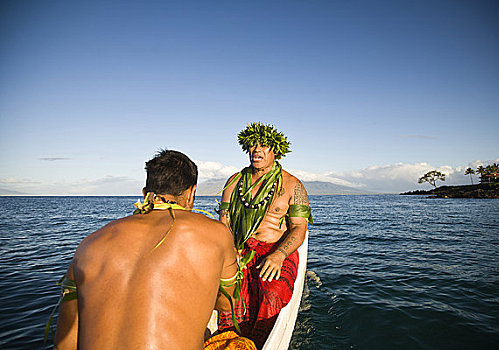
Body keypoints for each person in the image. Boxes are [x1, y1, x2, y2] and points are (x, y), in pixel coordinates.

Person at [53, 150, 252, 350]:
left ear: (144, 193)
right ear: (192, 193)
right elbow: (227, 305)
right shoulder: (215, 233)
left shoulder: (89, 244)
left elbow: (64, 344)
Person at [218, 122, 312, 347]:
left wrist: (279, 255)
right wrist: (230, 251)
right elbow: (224, 223)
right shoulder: (234, 183)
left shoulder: (293, 185)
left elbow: (299, 228)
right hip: (240, 249)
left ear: (276, 151)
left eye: (263, 146)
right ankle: (229, 339)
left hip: (275, 249)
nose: (256, 150)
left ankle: (260, 341)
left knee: (272, 293)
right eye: (252, 145)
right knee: (224, 292)